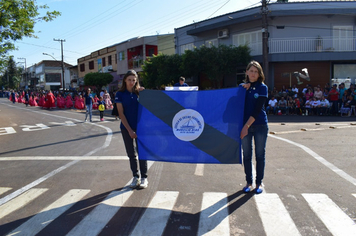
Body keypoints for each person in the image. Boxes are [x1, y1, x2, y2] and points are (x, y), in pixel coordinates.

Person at [115, 69, 148, 189]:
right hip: (126, 128)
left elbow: (148, 109)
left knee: (142, 153)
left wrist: (144, 94)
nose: (131, 82)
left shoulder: (140, 93)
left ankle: (144, 177)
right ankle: (136, 176)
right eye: (129, 80)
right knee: (131, 154)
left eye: (134, 80)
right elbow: (121, 114)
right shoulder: (120, 94)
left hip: (141, 128)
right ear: (125, 80)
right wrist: (130, 130)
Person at [240, 61, 268, 194]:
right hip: (245, 126)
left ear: (259, 74)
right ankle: (248, 182)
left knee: (260, 155)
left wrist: (245, 126)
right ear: (246, 72)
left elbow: (257, 111)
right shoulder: (242, 88)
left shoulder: (263, 88)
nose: (253, 73)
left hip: (260, 125)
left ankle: (259, 183)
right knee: (246, 155)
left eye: (256, 71)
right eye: (251, 71)